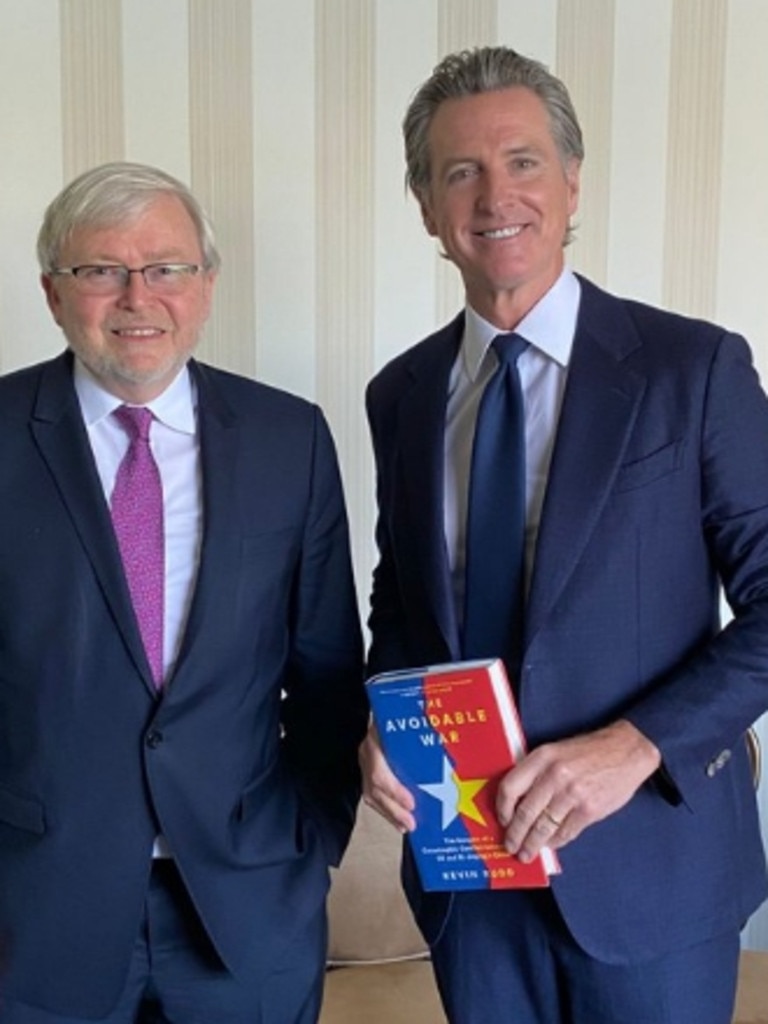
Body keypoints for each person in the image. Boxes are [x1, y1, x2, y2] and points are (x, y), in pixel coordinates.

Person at [360, 45, 768, 1024]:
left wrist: (635, 744)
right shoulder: (403, 397)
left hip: (650, 874)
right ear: (425, 205)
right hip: (472, 879)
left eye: (524, 160)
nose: (496, 193)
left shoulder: (692, 369)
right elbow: (403, 602)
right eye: (460, 170)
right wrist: (382, 719)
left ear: (572, 179)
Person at [0, 161, 367, 1024]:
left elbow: (327, 671)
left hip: (246, 907)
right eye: (100, 270)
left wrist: (307, 847)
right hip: (36, 911)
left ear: (205, 286)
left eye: (166, 268)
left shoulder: (291, 438)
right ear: (54, 293)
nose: (138, 296)